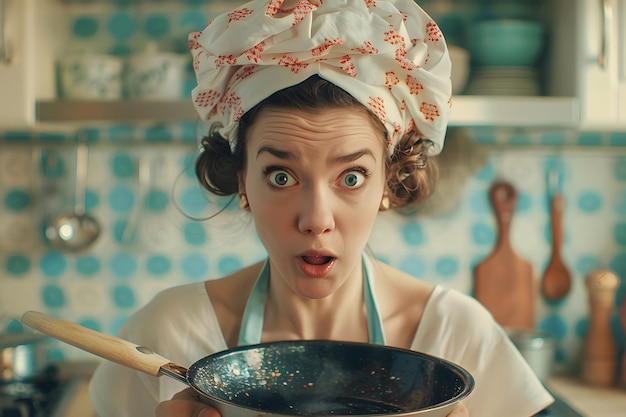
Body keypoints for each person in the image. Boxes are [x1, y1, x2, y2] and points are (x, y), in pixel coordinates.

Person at [89, 1, 554, 416]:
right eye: (281, 176)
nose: (315, 219)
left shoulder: (454, 334)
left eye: (351, 178)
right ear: (242, 182)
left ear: (389, 185)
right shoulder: (170, 332)